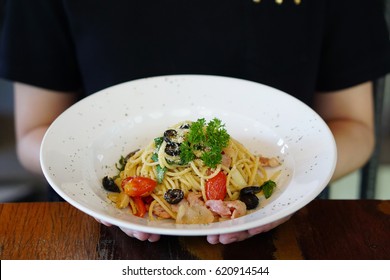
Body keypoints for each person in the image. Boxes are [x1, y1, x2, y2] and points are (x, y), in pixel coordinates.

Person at [1, 0, 389, 244]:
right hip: (96, 238)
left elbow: (354, 125)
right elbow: (35, 134)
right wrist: (105, 200)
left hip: (290, 235)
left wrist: (299, 181)